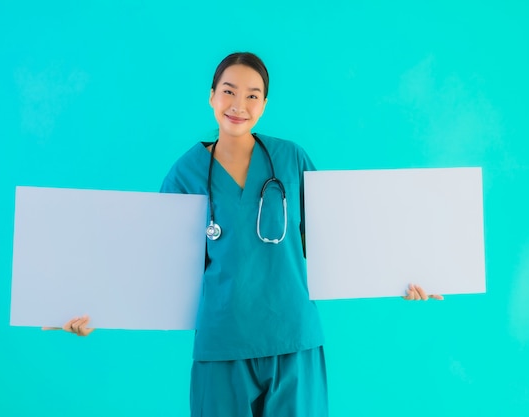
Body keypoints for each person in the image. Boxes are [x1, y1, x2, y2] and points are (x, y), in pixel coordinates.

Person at [46, 52, 443, 417]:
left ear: (265, 104)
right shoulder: (186, 173)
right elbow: (154, 267)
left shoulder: (290, 159)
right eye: (229, 91)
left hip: (293, 340)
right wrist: (91, 311)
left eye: (253, 95)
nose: (239, 105)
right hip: (222, 347)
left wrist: (403, 274)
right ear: (212, 97)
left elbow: (339, 240)